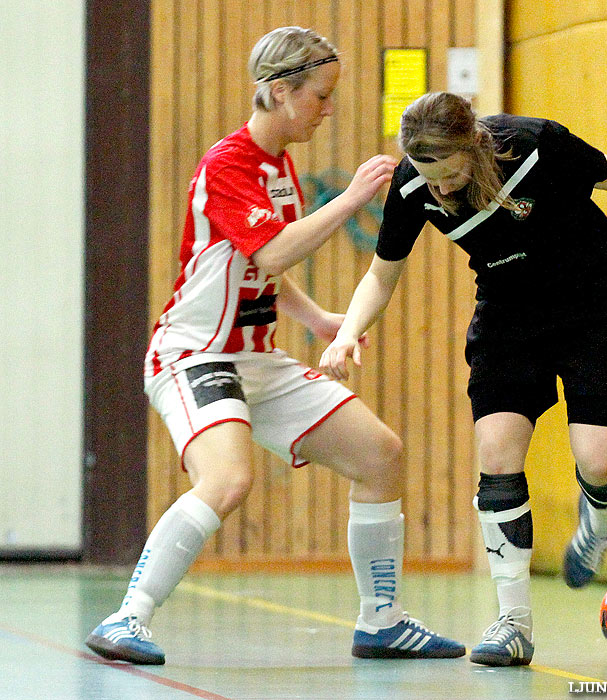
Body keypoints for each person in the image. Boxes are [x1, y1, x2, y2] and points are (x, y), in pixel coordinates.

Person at [85, 29, 464, 666]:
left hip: (257, 360)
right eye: (321, 96)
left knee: (380, 455)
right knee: (228, 478)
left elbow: (259, 269)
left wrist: (315, 318)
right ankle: (128, 617)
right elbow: (273, 249)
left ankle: (383, 621)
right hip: (194, 355)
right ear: (280, 91)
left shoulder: (279, 164)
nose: (330, 108)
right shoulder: (228, 164)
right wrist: (349, 201)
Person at [319, 92, 607, 667]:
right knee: (497, 450)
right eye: (429, 176)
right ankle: (513, 623)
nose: (440, 189)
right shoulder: (413, 186)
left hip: (595, 305)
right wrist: (346, 333)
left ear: (474, 147)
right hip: (510, 316)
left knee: (596, 460)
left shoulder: (535, 145)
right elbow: (381, 276)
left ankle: (599, 519)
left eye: (451, 174)